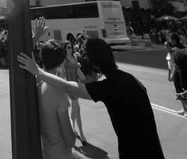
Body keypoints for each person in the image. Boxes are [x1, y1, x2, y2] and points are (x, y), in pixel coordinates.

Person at [18, 37, 165, 159]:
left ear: (94, 63)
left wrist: (37, 71)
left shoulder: (107, 87)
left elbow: (68, 87)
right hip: (154, 151)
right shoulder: (132, 80)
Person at [37, 40, 75, 159]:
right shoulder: (58, 92)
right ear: (61, 63)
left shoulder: (38, 84)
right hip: (62, 154)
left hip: (46, 151)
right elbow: (70, 140)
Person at [64, 40, 87, 144]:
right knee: (77, 108)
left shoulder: (74, 57)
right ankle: (82, 134)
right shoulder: (64, 60)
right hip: (69, 85)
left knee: (74, 108)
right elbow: (62, 72)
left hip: (76, 84)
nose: (70, 49)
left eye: (71, 47)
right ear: (65, 49)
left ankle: (72, 127)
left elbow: (77, 70)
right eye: (68, 47)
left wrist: (78, 66)